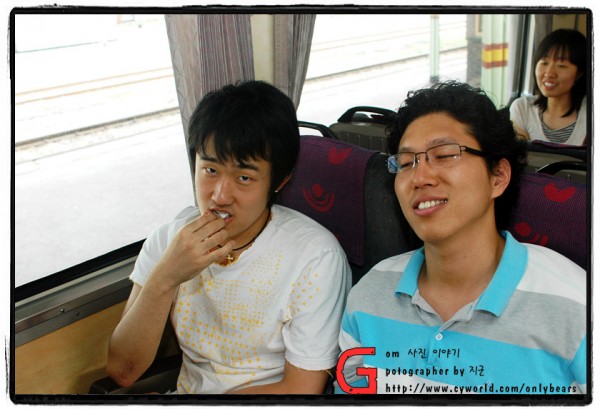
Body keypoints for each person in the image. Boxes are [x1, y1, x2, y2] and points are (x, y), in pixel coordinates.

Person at [336, 81, 586, 395]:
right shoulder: (369, 295)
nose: (420, 177)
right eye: (406, 163)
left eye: (444, 155)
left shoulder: (576, 307)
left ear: (498, 176)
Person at [107, 80, 351, 394]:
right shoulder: (169, 240)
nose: (220, 196)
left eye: (244, 177)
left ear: (280, 180)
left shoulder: (315, 257)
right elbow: (122, 372)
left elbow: (302, 389)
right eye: (210, 170)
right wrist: (166, 277)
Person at [510, 29, 587, 145]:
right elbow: (519, 153)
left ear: (579, 74)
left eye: (561, 65)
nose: (549, 73)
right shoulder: (522, 108)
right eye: (544, 63)